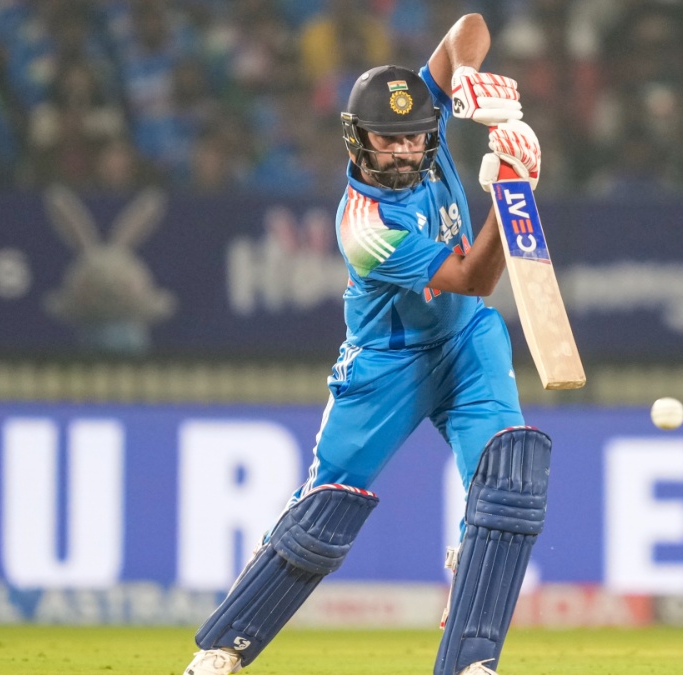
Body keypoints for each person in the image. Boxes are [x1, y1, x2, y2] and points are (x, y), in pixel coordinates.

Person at [182, 13, 548, 675]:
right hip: (388, 364)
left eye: (415, 137)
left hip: (466, 338)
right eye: (388, 140)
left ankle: (472, 660)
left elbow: (468, 26)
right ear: (357, 140)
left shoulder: (427, 120)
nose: (405, 151)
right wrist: (511, 190)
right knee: (324, 512)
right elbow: (475, 274)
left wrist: (468, 78)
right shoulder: (364, 226)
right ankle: (224, 647)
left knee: (507, 483)